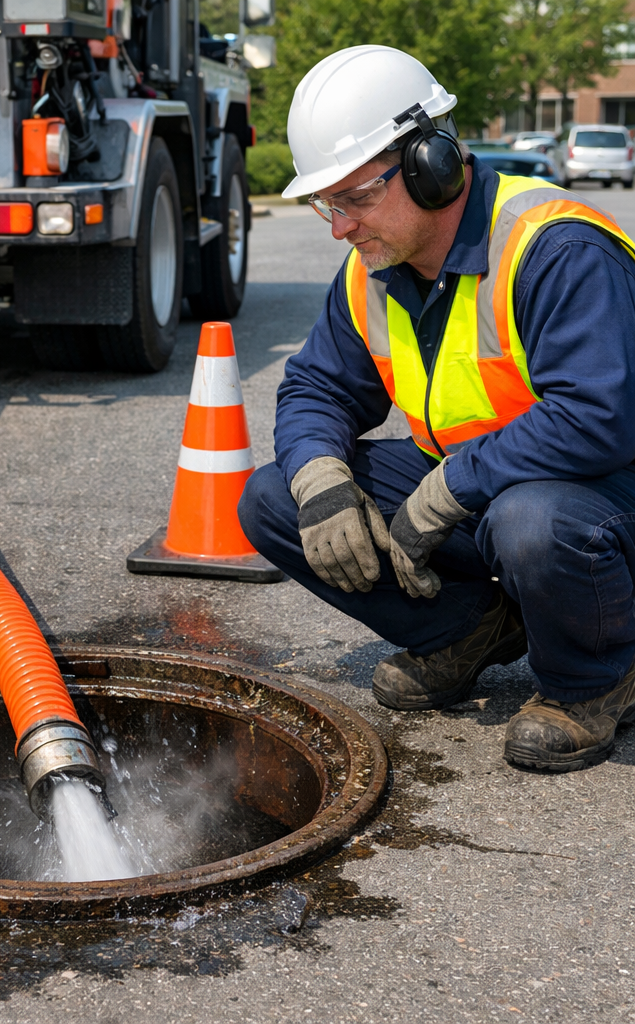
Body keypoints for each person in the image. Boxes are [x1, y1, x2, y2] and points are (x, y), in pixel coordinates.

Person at [237, 45, 635, 772]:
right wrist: (320, 478)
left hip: (604, 500)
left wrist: (450, 487)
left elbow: (596, 417)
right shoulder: (374, 269)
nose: (340, 227)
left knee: (531, 521)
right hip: (489, 489)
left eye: (355, 198)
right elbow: (315, 389)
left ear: (433, 165)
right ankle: (468, 630)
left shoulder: (554, 249)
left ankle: (596, 679)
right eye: (328, 204)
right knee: (275, 497)